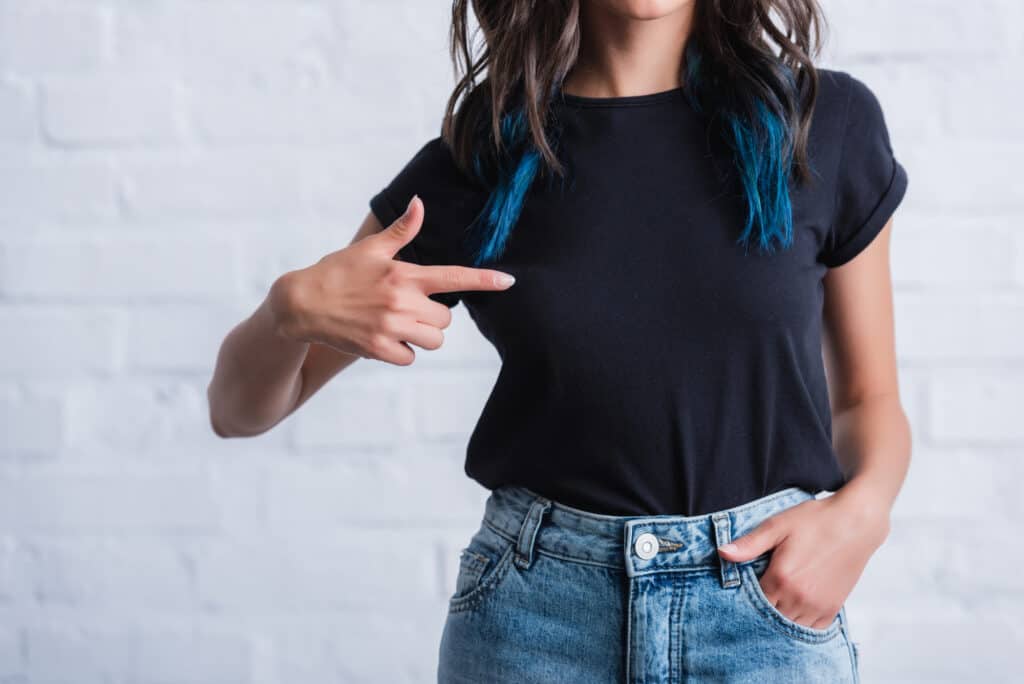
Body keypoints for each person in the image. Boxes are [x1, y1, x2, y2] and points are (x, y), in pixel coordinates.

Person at [207, 0, 911, 681]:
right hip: (536, 626)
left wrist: (863, 514)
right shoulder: (480, 159)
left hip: (766, 616)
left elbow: (867, 398)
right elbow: (239, 411)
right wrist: (286, 311)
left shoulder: (823, 123)